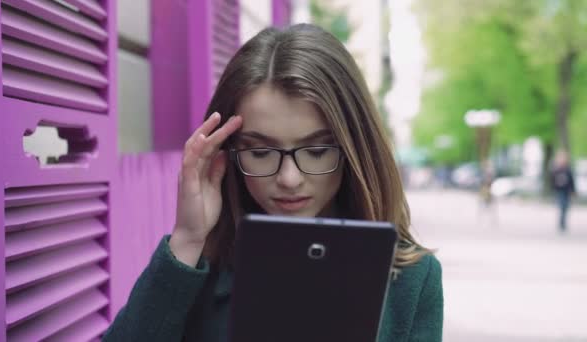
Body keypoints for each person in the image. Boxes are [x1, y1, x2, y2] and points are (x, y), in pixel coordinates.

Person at [103, 24, 443, 342]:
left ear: (354, 147)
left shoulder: (412, 279)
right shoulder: (195, 269)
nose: (289, 179)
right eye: (261, 151)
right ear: (228, 154)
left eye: (317, 150)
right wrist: (188, 239)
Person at [550, 150, 576, 233]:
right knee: (562, 206)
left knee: (566, 207)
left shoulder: (568, 169)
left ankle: (563, 223)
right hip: (559, 191)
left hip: (567, 191)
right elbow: (552, 180)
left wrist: (573, 190)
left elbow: (571, 181)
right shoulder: (556, 169)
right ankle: (561, 224)